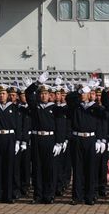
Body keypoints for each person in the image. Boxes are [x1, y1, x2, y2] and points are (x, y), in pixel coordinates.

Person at [64, 82, 107, 205]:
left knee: (91, 169)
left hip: (90, 139)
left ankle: (90, 196)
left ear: (89, 94)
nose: (82, 95)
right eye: (81, 93)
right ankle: (77, 196)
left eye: (85, 93)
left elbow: (101, 122)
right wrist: (78, 90)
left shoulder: (96, 107)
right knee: (77, 169)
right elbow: (68, 98)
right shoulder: (76, 106)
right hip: (77, 139)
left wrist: (101, 139)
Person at [25, 76, 64, 204]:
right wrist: (37, 83)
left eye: (46, 94)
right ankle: (38, 195)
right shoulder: (35, 106)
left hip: (50, 139)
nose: (43, 96)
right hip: (37, 139)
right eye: (41, 94)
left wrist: (59, 142)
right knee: (37, 168)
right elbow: (28, 93)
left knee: (49, 168)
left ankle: (49, 195)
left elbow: (60, 126)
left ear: (50, 95)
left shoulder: (55, 108)